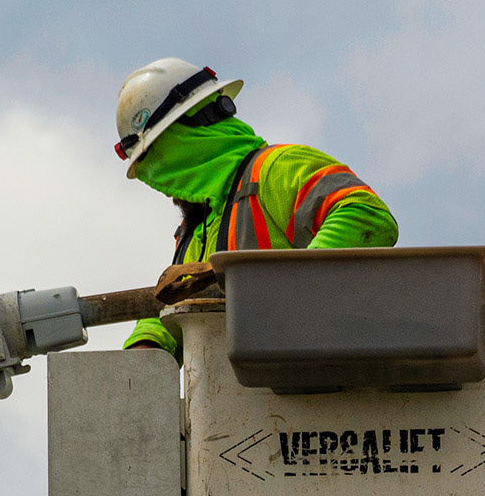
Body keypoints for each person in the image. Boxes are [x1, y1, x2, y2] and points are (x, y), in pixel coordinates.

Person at [114, 58, 399, 356]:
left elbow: (367, 216)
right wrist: (143, 353)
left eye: (160, 166)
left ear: (185, 143)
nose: (163, 186)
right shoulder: (195, 229)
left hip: (322, 381)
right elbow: (174, 311)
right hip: (241, 396)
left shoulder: (274, 170)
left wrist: (288, 286)